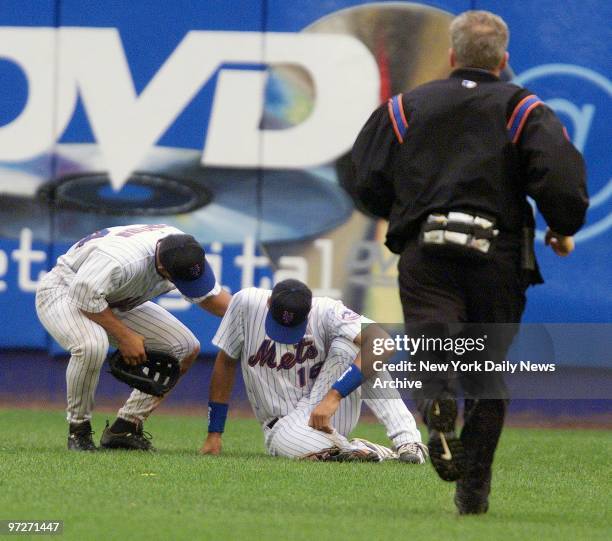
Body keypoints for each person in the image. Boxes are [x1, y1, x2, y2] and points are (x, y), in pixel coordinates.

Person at [347, 10, 588, 513]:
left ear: (452, 56)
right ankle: (472, 496)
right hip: (497, 254)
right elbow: (561, 181)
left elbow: (365, 176)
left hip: (428, 247)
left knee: (434, 336)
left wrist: (404, 210)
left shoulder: (405, 107)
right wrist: (560, 225)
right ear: (503, 59)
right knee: (485, 373)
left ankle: (436, 403)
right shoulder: (524, 109)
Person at [35, 224, 231, 451]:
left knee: (185, 347)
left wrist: (251, 315)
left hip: (112, 296)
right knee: (91, 345)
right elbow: (84, 296)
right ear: (162, 267)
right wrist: (125, 336)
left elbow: (210, 297)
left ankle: (125, 427)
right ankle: (79, 430)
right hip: (65, 290)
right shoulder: (124, 261)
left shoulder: (182, 248)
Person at [200, 279, 427, 463]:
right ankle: (362, 450)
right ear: (268, 303)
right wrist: (214, 432)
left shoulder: (326, 310)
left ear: (309, 311)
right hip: (282, 426)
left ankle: (407, 440)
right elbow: (226, 362)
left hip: (325, 407)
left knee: (358, 346)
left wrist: (334, 395)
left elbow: (383, 343)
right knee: (310, 450)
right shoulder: (245, 303)